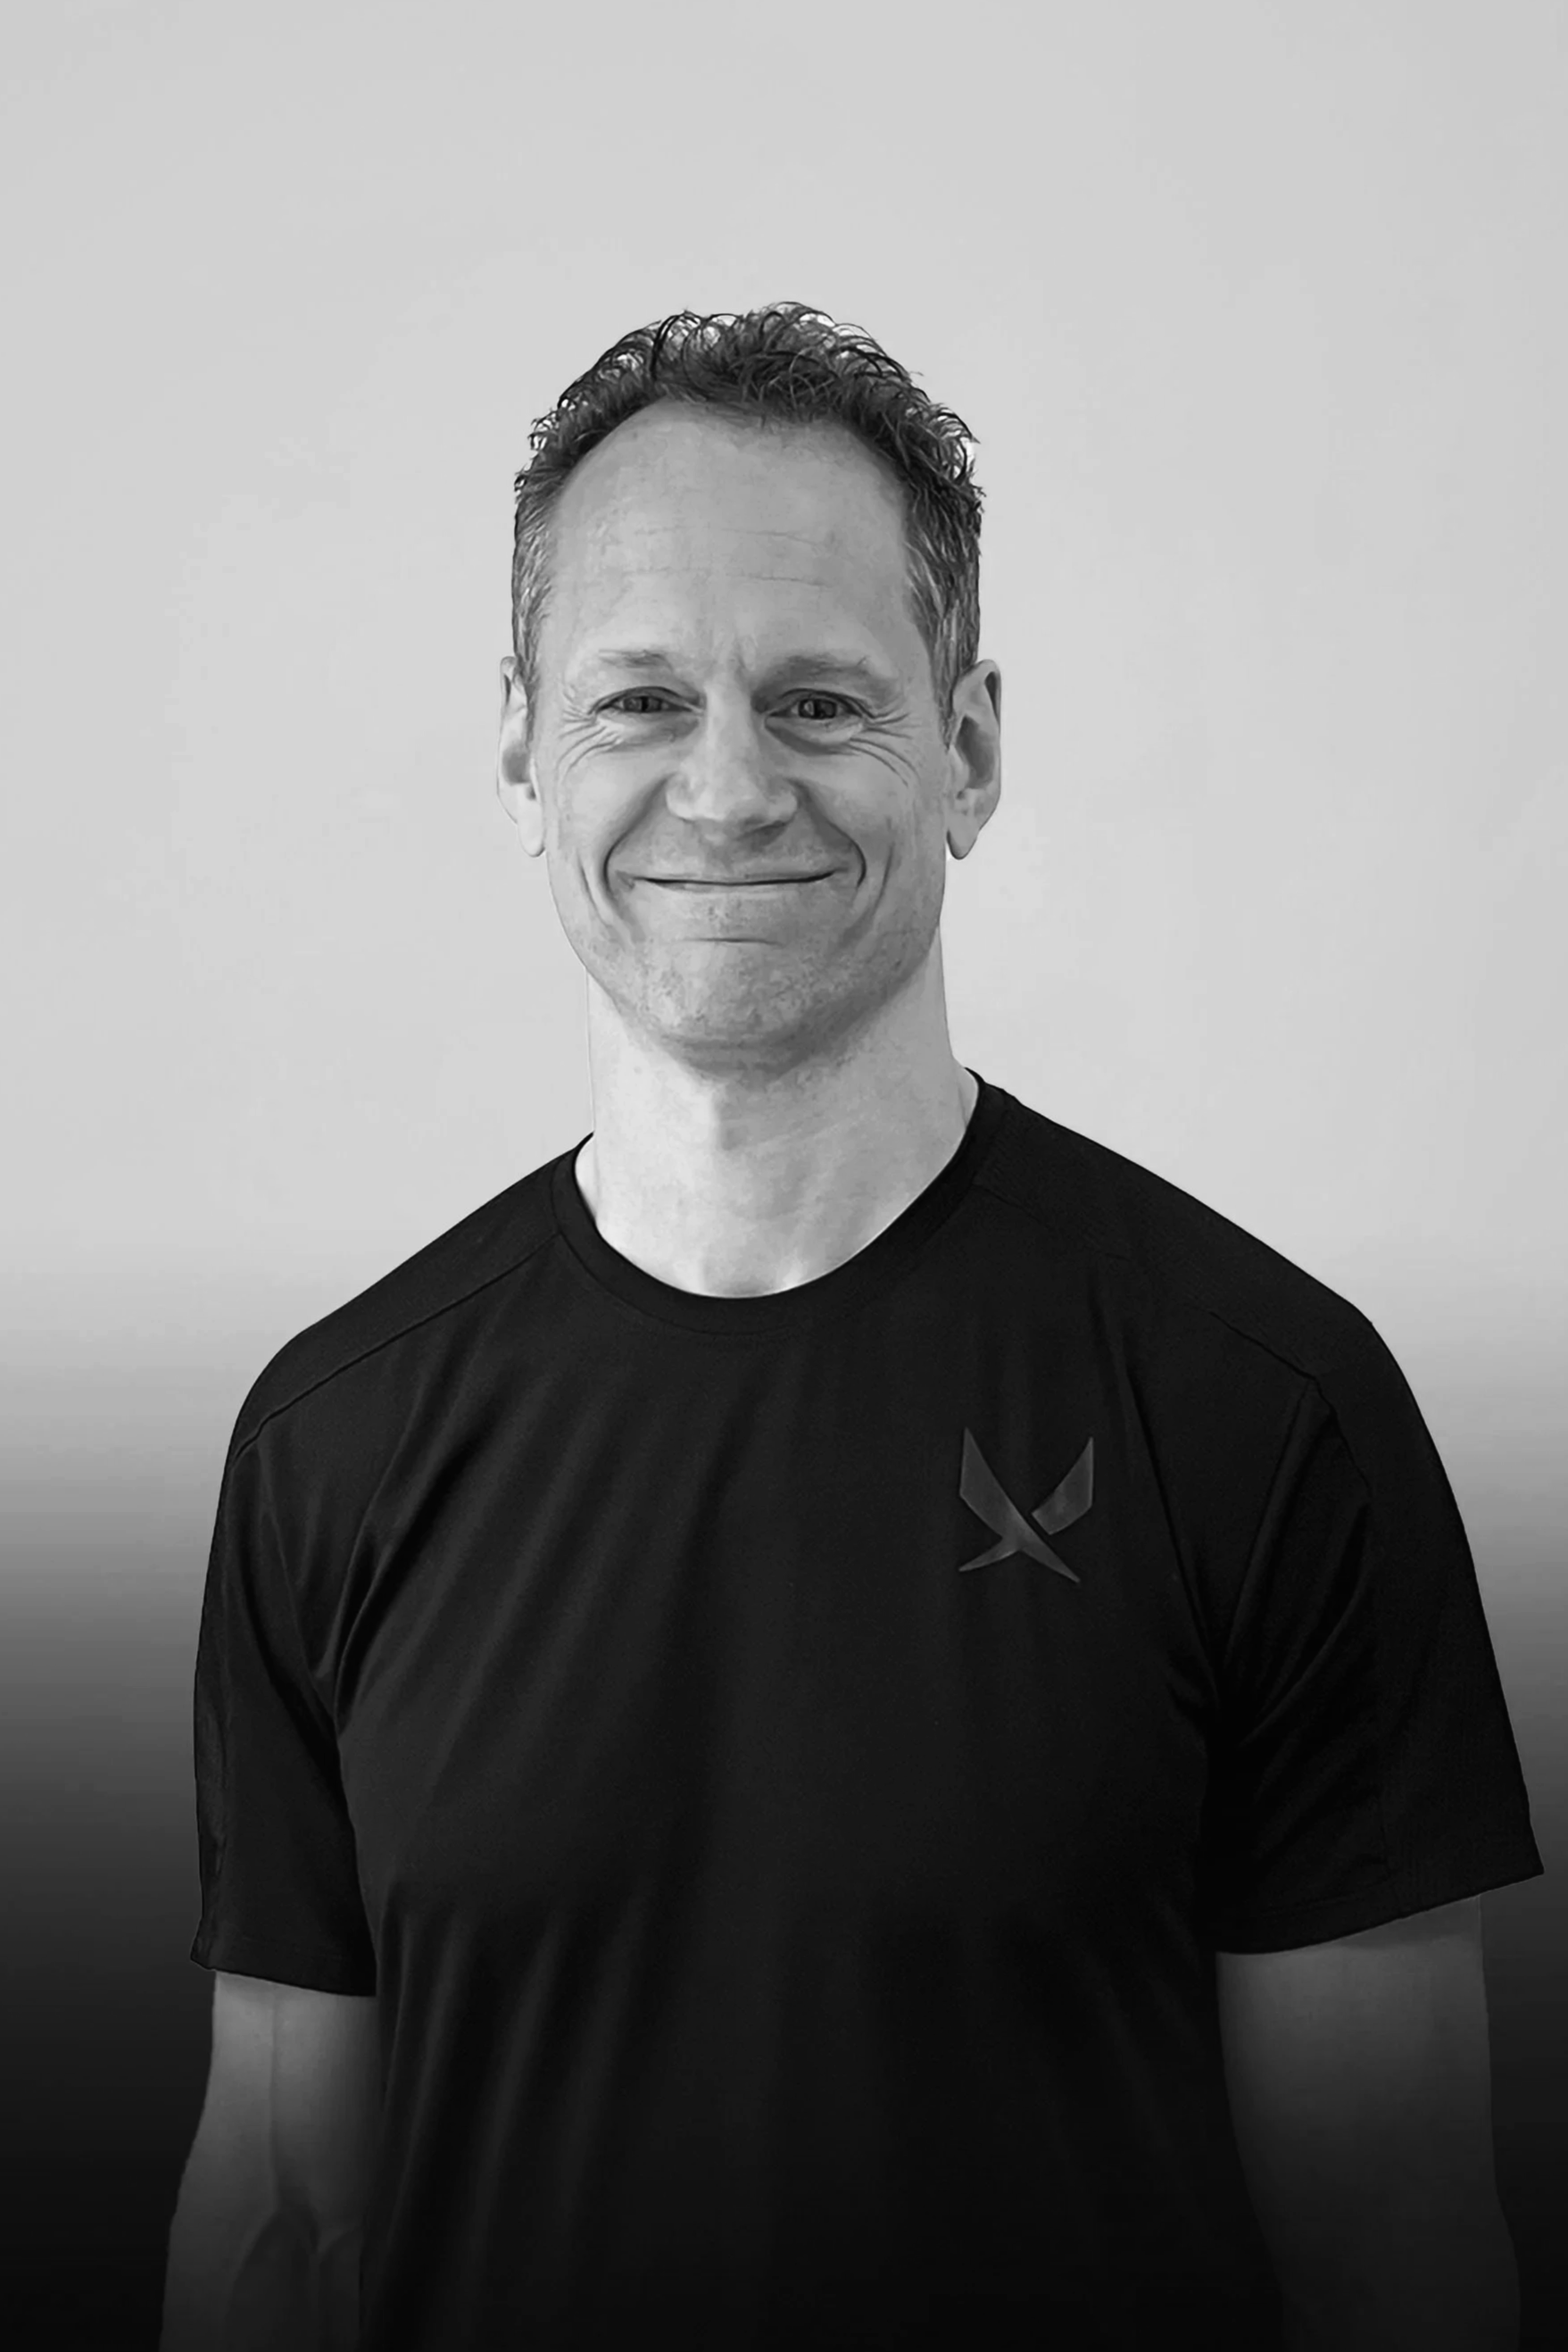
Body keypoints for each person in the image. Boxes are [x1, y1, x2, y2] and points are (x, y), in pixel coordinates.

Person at [160, 302, 1543, 2352]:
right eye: (637, 698)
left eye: (816, 703)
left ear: (965, 749)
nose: (723, 789)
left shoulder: (1265, 1412)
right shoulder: (330, 1444)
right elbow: (282, 2223)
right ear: (521, 751)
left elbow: (1398, 2254)